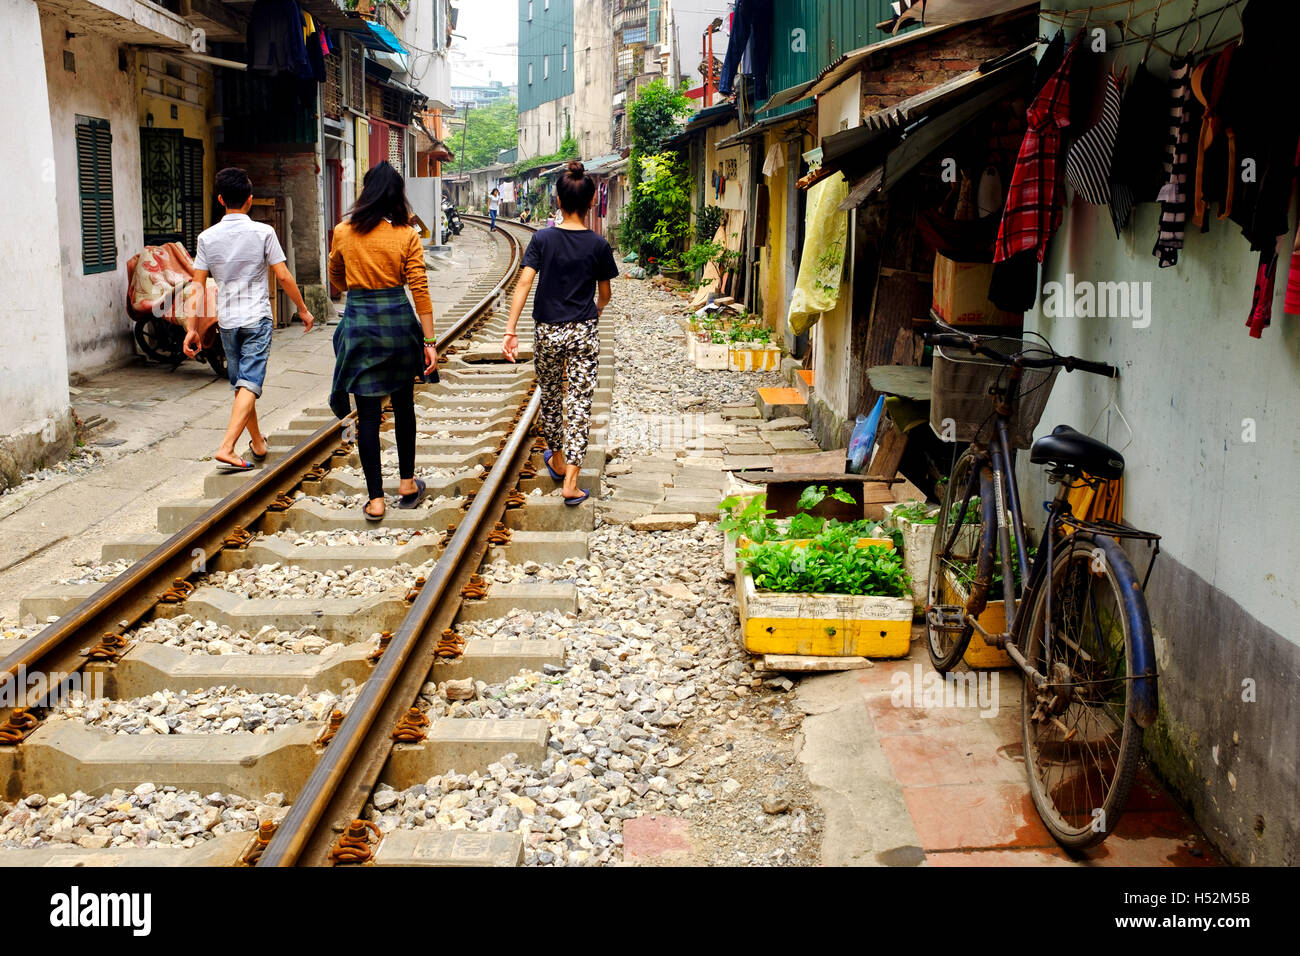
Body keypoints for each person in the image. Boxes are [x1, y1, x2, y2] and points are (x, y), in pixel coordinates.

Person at [502, 161, 618, 505]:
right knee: (580, 404)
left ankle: (554, 455)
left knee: (551, 397)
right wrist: (594, 311)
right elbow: (606, 295)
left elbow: (524, 281)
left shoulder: (542, 238)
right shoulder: (598, 244)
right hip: (582, 331)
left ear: (558, 199)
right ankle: (570, 481)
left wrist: (510, 330)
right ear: (591, 202)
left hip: (548, 330)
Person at [327, 162, 437, 522]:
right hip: (398, 325)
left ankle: (375, 500)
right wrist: (430, 340)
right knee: (404, 406)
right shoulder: (406, 234)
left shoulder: (343, 231)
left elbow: (335, 276)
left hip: (360, 324)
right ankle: (406, 485)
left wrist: (358, 293)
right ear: (396, 195)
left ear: (365, 192)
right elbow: (419, 288)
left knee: (369, 415)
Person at [184, 167, 313, 472]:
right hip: (256, 317)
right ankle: (227, 447)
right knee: (250, 383)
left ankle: (257, 442)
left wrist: (191, 328)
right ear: (250, 200)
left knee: (243, 384)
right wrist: (303, 309)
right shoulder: (264, 232)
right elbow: (282, 275)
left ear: (219, 199)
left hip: (227, 321)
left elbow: (197, 285)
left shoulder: (206, 238)